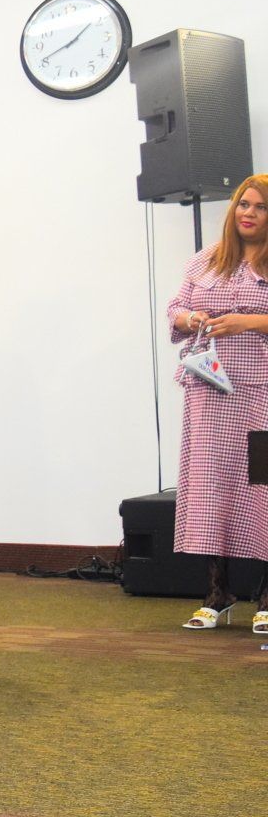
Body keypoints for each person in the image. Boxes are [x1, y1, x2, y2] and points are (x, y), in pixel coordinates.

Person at [166, 174, 268, 632]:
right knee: (212, 487)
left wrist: (248, 321)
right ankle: (217, 592)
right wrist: (190, 318)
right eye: (244, 204)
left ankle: (266, 596)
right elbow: (175, 309)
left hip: (260, 391)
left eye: (260, 207)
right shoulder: (206, 260)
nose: (249, 213)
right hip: (210, 392)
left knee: (263, 487)